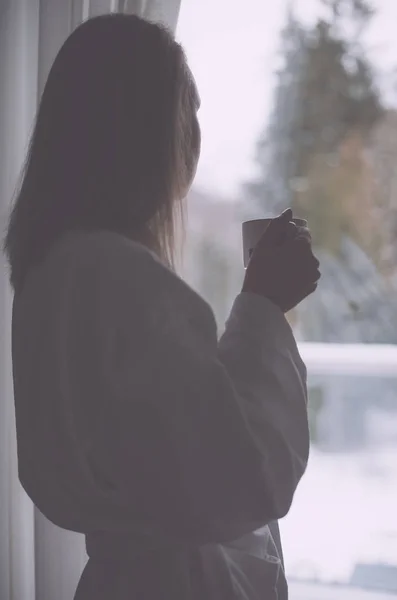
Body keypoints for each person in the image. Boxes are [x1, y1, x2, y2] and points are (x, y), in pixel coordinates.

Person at [3, 13, 320, 600]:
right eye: (187, 109)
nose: (194, 133)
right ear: (143, 127)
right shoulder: (120, 278)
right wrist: (265, 306)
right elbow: (242, 479)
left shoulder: (51, 272)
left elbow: (170, 428)